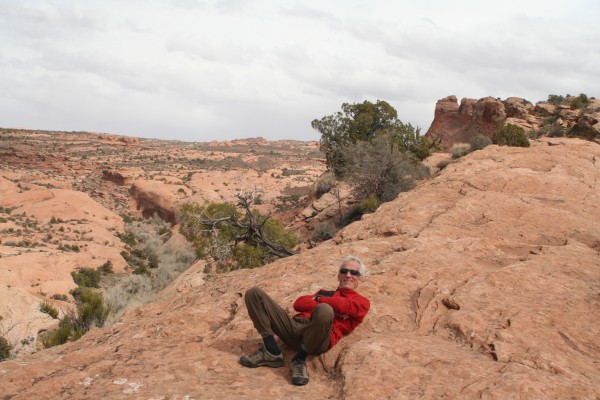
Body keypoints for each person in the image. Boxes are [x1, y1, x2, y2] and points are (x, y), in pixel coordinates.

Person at [239, 255, 370, 386]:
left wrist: (318, 301)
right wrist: (331, 306)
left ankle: (299, 359)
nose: (348, 275)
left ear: (360, 278)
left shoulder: (362, 302)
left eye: (354, 272)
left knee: (325, 310)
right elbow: (299, 303)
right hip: (295, 327)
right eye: (344, 271)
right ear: (338, 275)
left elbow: (345, 306)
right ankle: (271, 351)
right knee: (254, 293)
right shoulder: (324, 292)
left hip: (319, 339)